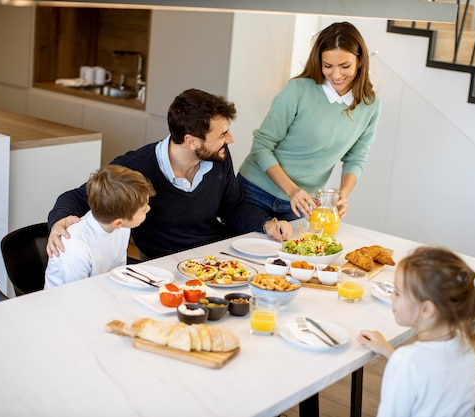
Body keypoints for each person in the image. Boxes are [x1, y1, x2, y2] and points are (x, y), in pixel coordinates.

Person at [47, 89, 291, 260]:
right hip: (165, 264)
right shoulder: (135, 167)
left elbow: (234, 207)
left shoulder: (217, 157)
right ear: (191, 141)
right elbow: (78, 197)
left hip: (218, 255)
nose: (230, 139)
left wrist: (267, 224)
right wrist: (58, 222)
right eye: (222, 134)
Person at [237, 21, 381, 221]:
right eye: (327, 66)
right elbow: (261, 147)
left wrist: (343, 195)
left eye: (345, 66)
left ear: (360, 61)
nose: (336, 75)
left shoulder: (370, 105)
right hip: (254, 192)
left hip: (299, 204)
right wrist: (292, 190)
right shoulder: (298, 90)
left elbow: (356, 158)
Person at [358, 246, 475, 417]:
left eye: (398, 293)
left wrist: (399, 360)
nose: (392, 296)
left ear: (426, 309)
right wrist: (388, 351)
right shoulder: (466, 345)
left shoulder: (407, 362)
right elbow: (428, 372)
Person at [45, 165, 155, 288]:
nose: (149, 208)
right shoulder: (76, 248)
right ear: (118, 222)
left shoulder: (121, 227)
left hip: (103, 290)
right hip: (66, 301)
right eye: (144, 209)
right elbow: (76, 295)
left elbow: (118, 272)